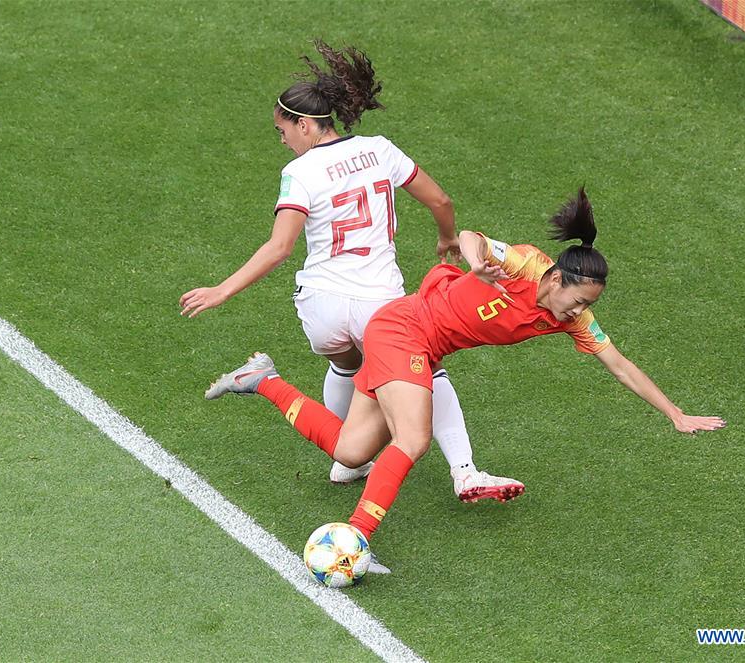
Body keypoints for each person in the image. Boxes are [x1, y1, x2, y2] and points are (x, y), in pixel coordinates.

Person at [204, 187, 726, 554]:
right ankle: (356, 535)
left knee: (350, 451)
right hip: (402, 331)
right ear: (559, 277)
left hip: (417, 348)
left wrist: (676, 414)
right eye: (577, 299)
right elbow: (474, 236)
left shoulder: (573, 321)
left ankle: (262, 379)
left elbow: (621, 364)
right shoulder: (524, 263)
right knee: (413, 439)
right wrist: (476, 261)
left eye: (586, 306)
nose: (577, 312)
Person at [180, 40, 523, 502]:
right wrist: (446, 238)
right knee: (430, 372)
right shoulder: (379, 150)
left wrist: (223, 290)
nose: (281, 140)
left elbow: (281, 247)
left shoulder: (300, 173)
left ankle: (345, 463)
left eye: (282, 131)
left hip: (320, 307)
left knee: (344, 362)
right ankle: (465, 471)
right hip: (380, 303)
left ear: (304, 124)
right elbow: (441, 200)